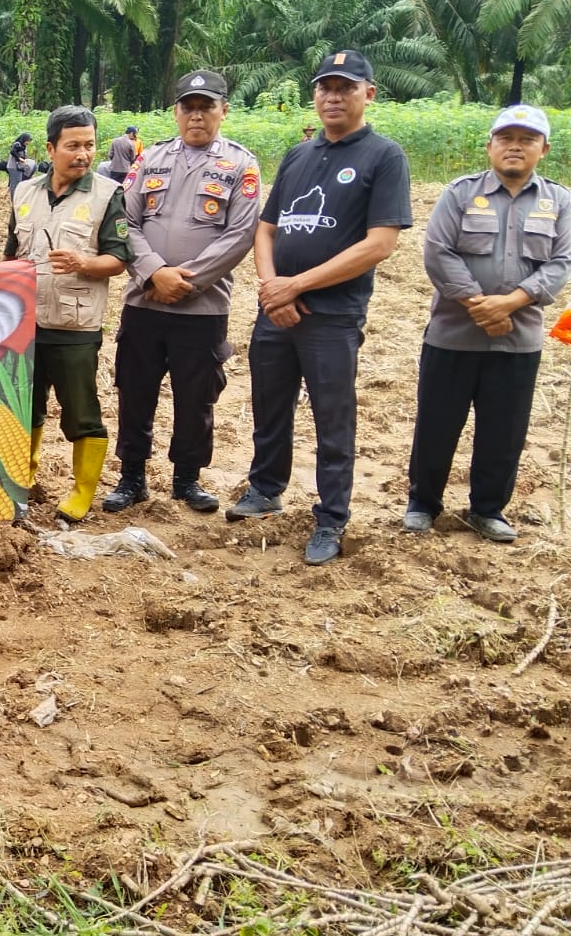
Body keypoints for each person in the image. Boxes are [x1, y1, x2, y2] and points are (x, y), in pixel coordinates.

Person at [228, 49, 412, 565]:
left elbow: (379, 243)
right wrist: (271, 288)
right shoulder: (298, 155)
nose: (333, 96)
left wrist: (296, 287)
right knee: (270, 405)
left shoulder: (384, 156)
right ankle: (265, 488)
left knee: (333, 418)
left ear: (368, 94)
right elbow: (266, 228)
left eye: (346, 87)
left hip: (332, 316)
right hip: (275, 309)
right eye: (325, 88)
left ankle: (331, 517)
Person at [405, 104, 571, 543]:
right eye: (506, 138)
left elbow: (561, 262)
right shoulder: (459, 193)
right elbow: (438, 252)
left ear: (544, 149)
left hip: (519, 339)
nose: (515, 146)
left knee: (505, 428)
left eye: (527, 139)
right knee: (437, 423)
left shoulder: (559, 201)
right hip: (453, 335)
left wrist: (511, 304)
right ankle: (423, 503)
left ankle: (487, 509)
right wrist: (480, 305)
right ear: (490, 145)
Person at [105, 70, 261, 515]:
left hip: (203, 305)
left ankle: (187, 478)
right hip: (145, 300)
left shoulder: (240, 164)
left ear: (223, 110)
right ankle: (132, 476)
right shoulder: (149, 159)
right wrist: (154, 273)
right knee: (135, 390)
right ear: (175, 112)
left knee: (197, 396)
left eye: (206, 106)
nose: (196, 115)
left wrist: (185, 279)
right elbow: (124, 222)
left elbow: (240, 234)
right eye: (188, 107)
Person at [3, 106, 130, 523]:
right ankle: (23, 478)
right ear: (50, 147)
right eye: (73, 145)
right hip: (25, 323)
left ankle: (81, 492)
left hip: (75, 323)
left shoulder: (107, 194)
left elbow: (119, 259)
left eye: (90, 145)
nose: (83, 154)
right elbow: (10, 253)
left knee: (81, 411)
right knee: (25, 408)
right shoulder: (24, 193)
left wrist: (82, 264)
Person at [1, 131, 35, 199]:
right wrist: (20, 159)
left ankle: (15, 198)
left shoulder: (23, 146)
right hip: (14, 167)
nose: (28, 143)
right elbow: (12, 151)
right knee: (15, 185)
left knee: (16, 183)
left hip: (18, 167)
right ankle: (14, 199)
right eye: (27, 141)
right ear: (24, 139)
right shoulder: (17, 144)